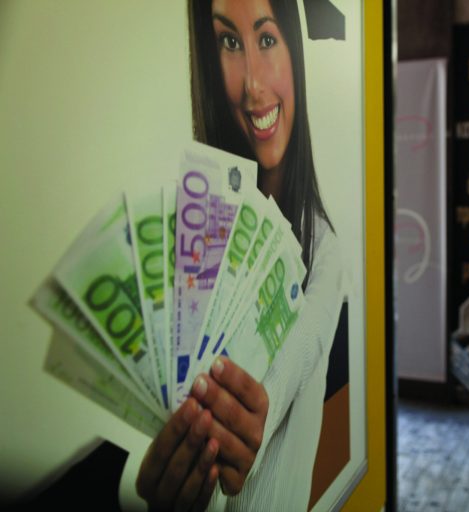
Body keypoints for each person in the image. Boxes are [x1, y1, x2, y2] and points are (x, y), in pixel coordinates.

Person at [136, 0, 344, 510]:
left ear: (294, 51)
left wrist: (256, 414)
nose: (253, 84)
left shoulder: (324, 248)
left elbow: (300, 350)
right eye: (230, 43)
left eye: (267, 40)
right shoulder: (195, 233)